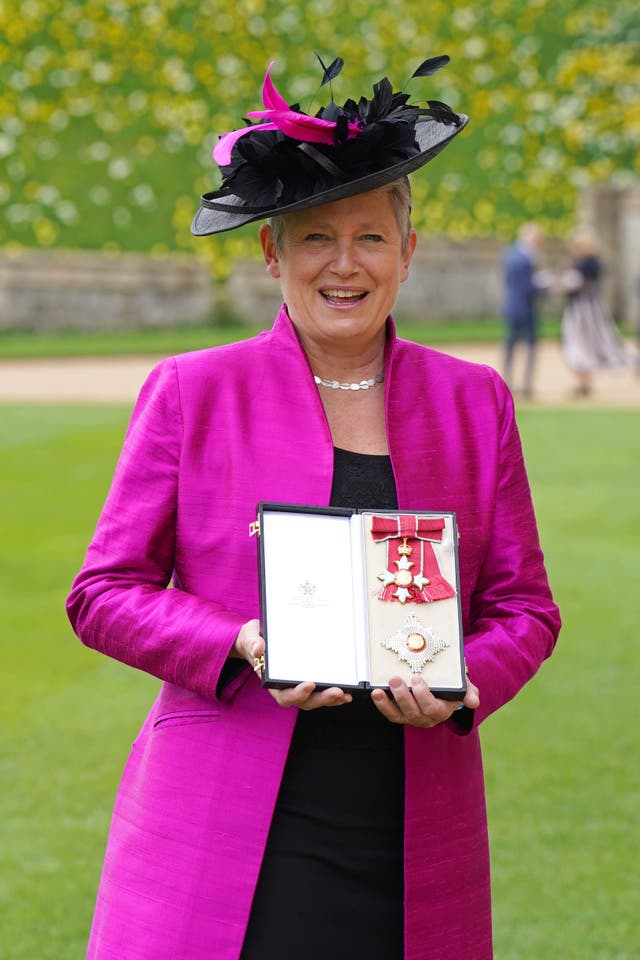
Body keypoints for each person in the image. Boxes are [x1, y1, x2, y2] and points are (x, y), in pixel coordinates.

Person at [67, 55, 560, 960]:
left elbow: (526, 608)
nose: (345, 265)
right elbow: (103, 592)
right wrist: (241, 642)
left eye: (371, 237)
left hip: (411, 831)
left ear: (407, 253)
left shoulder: (474, 400)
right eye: (315, 239)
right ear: (272, 253)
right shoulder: (191, 391)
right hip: (221, 821)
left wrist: (463, 683)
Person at [559, 226, 627, 396]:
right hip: (579, 308)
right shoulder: (582, 263)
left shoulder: (590, 263)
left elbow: (578, 282)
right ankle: (583, 381)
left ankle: (584, 381)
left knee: (585, 344)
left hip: (586, 310)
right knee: (574, 344)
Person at [502, 222, 550, 398]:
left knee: (512, 346)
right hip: (525, 308)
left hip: (514, 306)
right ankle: (525, 385)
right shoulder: (525, 258)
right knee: (527, 346)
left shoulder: (510, 254)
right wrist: (544, 285)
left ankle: (511, 383)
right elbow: (527, 286)